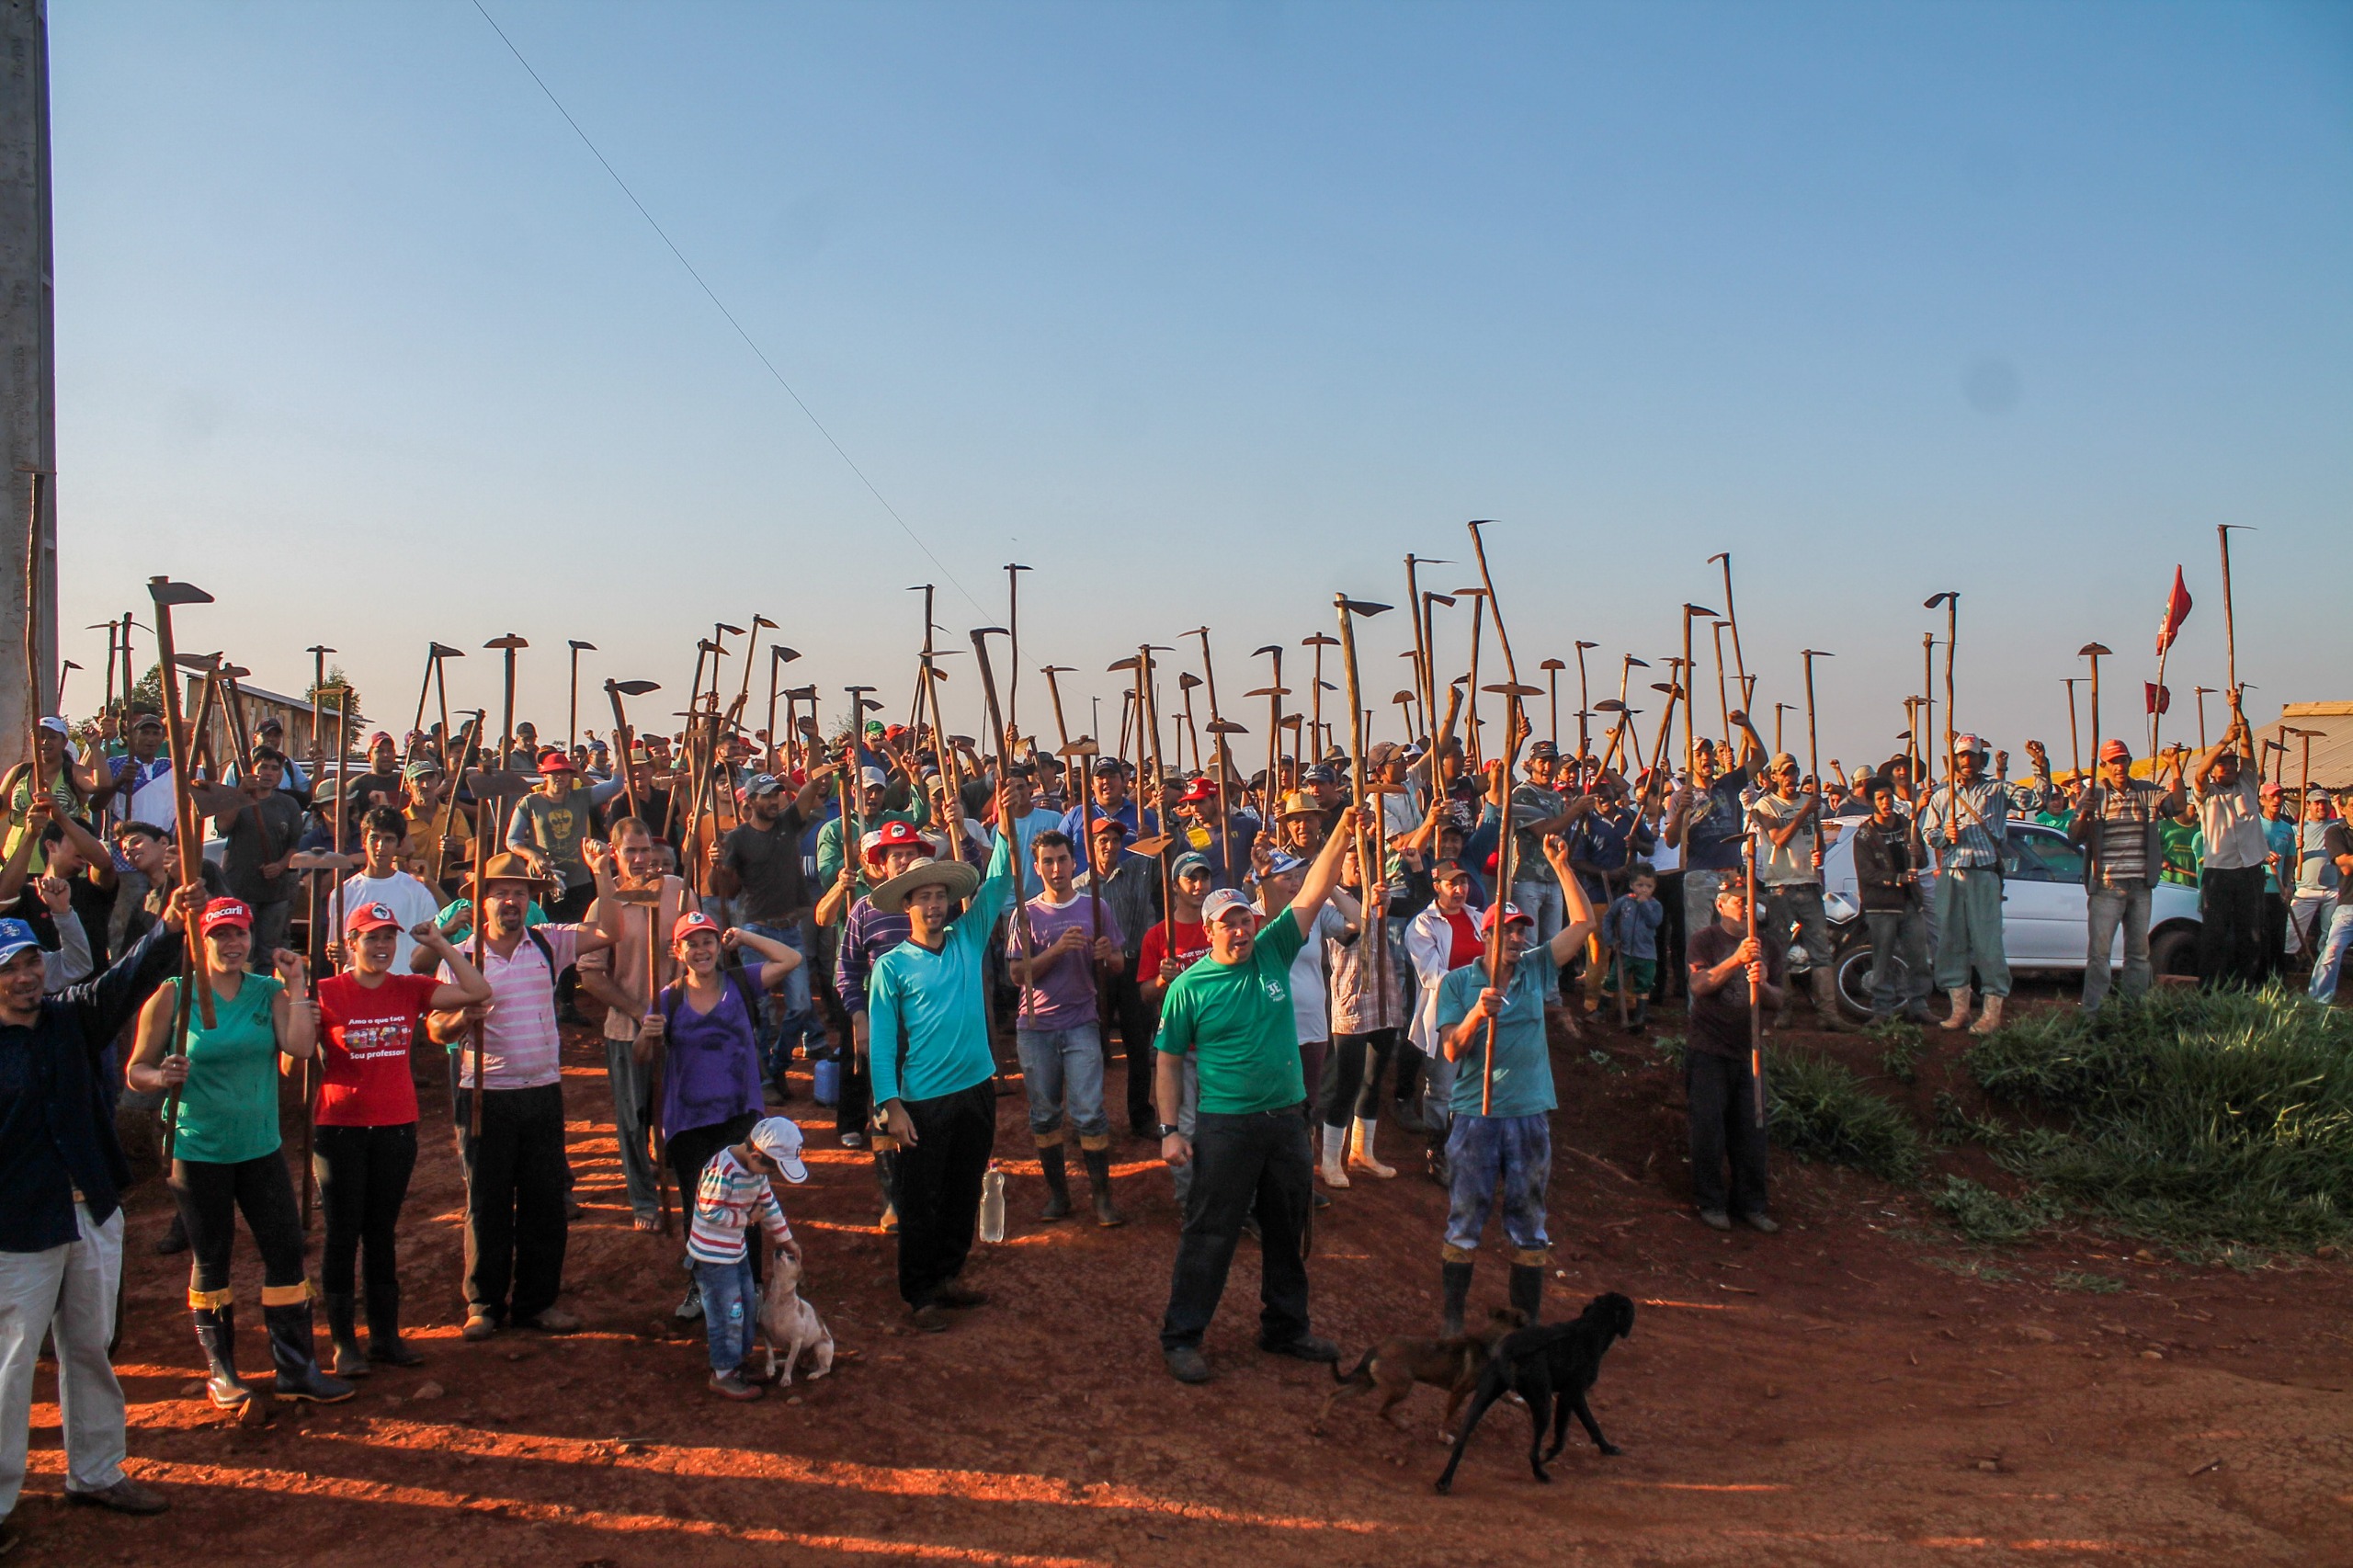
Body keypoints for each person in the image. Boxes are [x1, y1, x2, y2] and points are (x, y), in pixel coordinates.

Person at [0, 887, 192, 1543]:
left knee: (90, 1347)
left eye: (30, 964)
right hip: (17, 1225)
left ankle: (96, 1471)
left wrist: (167, 926)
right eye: (9, 970)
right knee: (12, 1363)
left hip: (90, 1210)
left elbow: (124, 980)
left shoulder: (68, 1018)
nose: (24, 978)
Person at [1153, 810, 1356, 1384]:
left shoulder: (1272, 952)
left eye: (1246, 920)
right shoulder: (1189, 989)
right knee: (1211, 1232)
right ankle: (1183, 1335)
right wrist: (1170, 1131)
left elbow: (1314, 894)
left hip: (1287, 1120)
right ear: (1210, 931)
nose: (1241, 931)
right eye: (1230, 924)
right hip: (1226, 1126)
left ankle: (1285, 1327)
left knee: (1287, 1228)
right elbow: (1167, 1062)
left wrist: (1342, 828)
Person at [126, 898, 350, 1408]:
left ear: (252, 938)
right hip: (198, 1149)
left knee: (286, 1250)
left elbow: (297, 1047)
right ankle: (223, 1372)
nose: (232, 944)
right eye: (220, 935)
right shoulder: (173, 997)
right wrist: (161, 1076)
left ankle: (296, 1368)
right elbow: (136, 1069)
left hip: (260, 1148)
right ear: (199, 941)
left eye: (240, 934)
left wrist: (295, 984)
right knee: (212, 1258)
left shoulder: (267, 992)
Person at [423, 852, 619, 1341]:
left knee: (545, 1201)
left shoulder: (548, 943)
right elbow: (434, 1027)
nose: (511, 900)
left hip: (542, 1091)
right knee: (487, 1201)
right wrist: (462, 1020)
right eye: (500, 892)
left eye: (519, 892)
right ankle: (484, 1304)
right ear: (481, 900)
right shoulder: (463, 957)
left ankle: (536, 1302)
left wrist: (602, 873)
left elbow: (610, 930)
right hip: (485, 1094)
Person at [312, 902, 490, 1371]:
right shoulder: (327, 993)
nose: (382, 946)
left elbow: (478, 990)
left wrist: (438, 943)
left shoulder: (409, 989)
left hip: (395, 1124)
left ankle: (386, 1337)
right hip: (339, 1128)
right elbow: (295, 1052)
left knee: (381, 1233)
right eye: (371, 937)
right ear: (351, 944)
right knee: (342, 1234)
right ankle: (344, 1343)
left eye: (388, 937)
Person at [1432, 831, 1597, 1332]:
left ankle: (1525, 1327)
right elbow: (1450, 1050)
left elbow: (1584, 923)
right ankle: (1453, 1323)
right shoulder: (1459, 983)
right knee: (1464, 1221)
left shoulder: (1536, 968)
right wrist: (1476, 1018)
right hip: (1476, 1115)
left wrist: (1560, 865)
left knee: (1529, 1225)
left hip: (1528, 1114)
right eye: (1510, 931)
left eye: (1523, 931)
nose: (1520, 939)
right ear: (1487, 936)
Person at [868, 806, 1016, 1331]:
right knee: (920, 1197)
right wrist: (891, 1104)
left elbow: (998, 883)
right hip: (924, 1100)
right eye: (923, 897)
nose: (933, 905)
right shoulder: (890, 966)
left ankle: (950, 1274)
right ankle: (922, 1292)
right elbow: (882, 1044)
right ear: (907, 905)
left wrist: (1004, 824)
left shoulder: (968, 939)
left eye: (939, 896)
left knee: (963, 1186)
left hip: (976, 1088)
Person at [641, 911, 802, 1324]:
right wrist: (648, 1034)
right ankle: (703, 1285)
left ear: (719, 945)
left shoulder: (741, 983)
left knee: (747, 1199)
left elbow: (790, 960)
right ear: (677, 952)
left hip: (739, 1115)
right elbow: (642, 1057)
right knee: (701, 1205)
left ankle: (751, 1285)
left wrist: (745, 936)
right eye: (691, 943)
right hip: (688, 1121)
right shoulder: (667, 999)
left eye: (708, 941)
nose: (701, 950)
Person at [576, 818, 692, 1231]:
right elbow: (590, 974)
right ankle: (643, 1199)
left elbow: (699, 948)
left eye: (645, 850)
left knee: (678, 1107)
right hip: (627, 1031)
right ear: (615, 855)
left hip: (679, 1024)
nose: (641, 860)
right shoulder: (604, 905)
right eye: (631, 852)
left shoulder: (679, 893)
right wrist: (639, 1011)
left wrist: (678, 989)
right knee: (633, 1116)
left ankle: (680, 1174)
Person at [826, 820, 941, 1230]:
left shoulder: (939, 905)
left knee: (930, 1107)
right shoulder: (865, 911)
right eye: (897, 855)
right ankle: (893, 1199)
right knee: (884, 1109)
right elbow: (847, 972)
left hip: (933, 1024)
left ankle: (929, 1193)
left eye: (911, 853)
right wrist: (858, 1018)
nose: (905, 860)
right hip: (885, 1025)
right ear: (884, 864)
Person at [1008, 831, 1126, 1225]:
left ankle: (1102, 1199)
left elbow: (1119, 965)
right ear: (1037, 865)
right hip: (1036, 1025)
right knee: (1044, 1114)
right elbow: (1015, 975)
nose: (1056, 869)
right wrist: (1057, 951)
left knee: (1090, 1112)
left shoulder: (1096, 908)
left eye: (1062, 860)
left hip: (1082, 1023)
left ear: (1074, 863)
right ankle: (1059, 1196)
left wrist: (1105, 955)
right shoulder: (1025, 913)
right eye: (1048, 861)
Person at [710, 767, 838, 1101]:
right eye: (766, 795)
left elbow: (809, 791)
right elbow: (720, 887)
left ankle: (777, 1067)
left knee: (798, 1006)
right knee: (762, 1011)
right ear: (750, 802)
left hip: (790, 929)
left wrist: (818, 768)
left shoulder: (787, 823)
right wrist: (718, 862)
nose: (773, 800)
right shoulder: (737, 837)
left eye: (776, 794)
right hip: (755, 931)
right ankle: (765, 1077)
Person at [1684, 877, 1784, 1232]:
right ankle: (1711, 1201)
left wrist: (1763, 983)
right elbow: (1699, 986)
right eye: (1739, 900)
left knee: (1753, 1130)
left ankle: (1753, 1204)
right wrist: (1736, 961)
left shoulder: (1768, 944)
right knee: (1708, 1129)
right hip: (1709, 1048)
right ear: (1721, 904)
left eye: (1751, 901)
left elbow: (1779, 1000)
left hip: (1749, 1052)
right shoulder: (1705, 940)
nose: (1746, 907)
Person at [686, 1116, 808, 1402]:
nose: (771, 1176)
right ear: (756, 1155)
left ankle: (736, 1363)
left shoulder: (757, 1171)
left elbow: (769, 1203)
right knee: (727, 1313)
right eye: (773, 1169)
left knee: (745, 1305)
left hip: (735, 1252)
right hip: (714, 1258)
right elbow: (709, 1212)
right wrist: (747, 1219)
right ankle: (723, 1373)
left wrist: (785, 1239)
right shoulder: (722, 1170)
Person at [2066, 740, 2187, 1014]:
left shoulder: (2145, 792)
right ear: (2103, 766)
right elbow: (2075, 835)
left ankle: (2134, 1011)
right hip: (2107, 885)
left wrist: (2175, 767)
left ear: (2130, 762)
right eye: (2114, 761)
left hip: (2140, 884)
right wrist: (2086, 810)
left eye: (2123, 760)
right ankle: (2093, 1012)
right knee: (2099, 954)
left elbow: (2178, 805)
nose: (2119, 766)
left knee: (2139, 954)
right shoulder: (2093, 794)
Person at [1318, 841, 1407, 1187]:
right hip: (1352, 997)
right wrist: (1369, 907)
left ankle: (1362, 1152)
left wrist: (1384, 902)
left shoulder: (1380, 893)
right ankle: (1329, 1160)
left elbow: (1417, 902)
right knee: (1347, 1083)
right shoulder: (1331, 899)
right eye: (1351, 858)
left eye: (1363, 859)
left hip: (1384, 994)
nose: (1358, 864)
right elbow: (1351, 938)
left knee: (1372, 1081)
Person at [1915, 734, 2015, 1034]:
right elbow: (1928, 834)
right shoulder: (1943, 796)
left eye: (1971, 756)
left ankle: (1991, 1014)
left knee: (1988, 945)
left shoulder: (1997, 789)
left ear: (1981, 759)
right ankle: (1960, 1010)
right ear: (1955, 759)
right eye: (1961, 756)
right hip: (1952, 872)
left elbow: (2036, 799)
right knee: (1950, 942)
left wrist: (2040, 767)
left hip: (1983, 872)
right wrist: (1946, 835)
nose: (1966, 761)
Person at [1746, 751, 1847, 1031]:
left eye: (1794, 771)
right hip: (1781, 885)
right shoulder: (1766, 805)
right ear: (1775, 777)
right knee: (1780, 949)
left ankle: (1829, 1012)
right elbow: (1778, 839)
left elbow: (1818, 840)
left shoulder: (1812, 804)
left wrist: (1820, 854)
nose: (1791, 777)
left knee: (1821, 950)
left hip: (1809, 883)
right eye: (1786, 772)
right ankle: (1784, 1008)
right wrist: (1805, 811)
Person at [1075, 813, 1162, 1139]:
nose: (1110, 846)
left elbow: (1171, 848)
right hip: (1095, 973)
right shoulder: (1079, 887)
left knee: (1138, 1045)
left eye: (1114, 840)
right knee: (1090, 1047)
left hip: (1134, 966)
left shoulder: (1137, 872)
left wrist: (1157, 825)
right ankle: (1091, 1118)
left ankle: (1141, 1117)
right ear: (1091, 846)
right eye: (1103, 840)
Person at [1403, 858, 1487, 1174]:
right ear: (1437, 886)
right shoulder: (1423, 924)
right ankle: (1436, 1151)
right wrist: (1476, 986)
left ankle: (1466, 1146)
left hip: (1481, 1016)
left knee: (1474, 1082)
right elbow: (1433, 975)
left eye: (1464, 882)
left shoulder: (1479, 919)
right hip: (1447, 1016)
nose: (1460, 889)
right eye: (1452, 883)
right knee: (1442, 1087)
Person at [1662, 715, 1766, 970]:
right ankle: (1697, 1000)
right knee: (1699, 940)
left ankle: (1732, 996)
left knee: (1733, 936)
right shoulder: (1680, 796)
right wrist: (1683, 814)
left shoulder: (1727, 784)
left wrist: (1746, 726)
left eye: (1709, 752)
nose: (1706, 757)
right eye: (1699, 754)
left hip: (1730, 873)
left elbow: (1761, 759)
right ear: (1690, 761)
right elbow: (1672, 842)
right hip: (1699, 874)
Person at [2190, 699, 2268, 990]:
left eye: (2232, 764)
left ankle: (2246, 986)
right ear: (2215, 771)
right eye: (2223, 765)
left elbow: (2247, 748)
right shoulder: (2205, 793)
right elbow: (2200, 772)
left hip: (2250, 868)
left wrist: (2238, 710)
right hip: (2219, 872)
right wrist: (2224, 740)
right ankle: (2210, 987)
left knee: (2251, 932)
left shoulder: (2247, 783)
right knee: (2215, 932)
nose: (2230, 769)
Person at [1850, 780, 1935, 1024]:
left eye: (1888, 797)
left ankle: (1918, 1006)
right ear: (1871, 802)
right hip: (1881, 906)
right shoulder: (1864, 835)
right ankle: (1882, 1010)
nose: (1886, 802)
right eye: (1880, 798)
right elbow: (1867, 874)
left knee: (1918, 958)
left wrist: (1917, 854)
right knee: (1883, 960)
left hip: (1910, 903)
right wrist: (1897, 878)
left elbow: (1922, 862)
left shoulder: (1909, 826)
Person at [210, 746, 302, 958]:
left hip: (275, 892)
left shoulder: (288, 805)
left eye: (274, 768)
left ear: (280, 774)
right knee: (242, 950)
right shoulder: (235, 799)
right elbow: (223, 827)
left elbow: (295, 846)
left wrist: (279, 866)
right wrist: (241, 792)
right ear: (252, 771)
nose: (268, 773)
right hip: (240, 890)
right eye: (263, 768)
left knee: (269, 951)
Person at [339, 807, 444, 974]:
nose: (380, 846)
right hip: (357, 989)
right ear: (363, 840)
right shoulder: (342, 893)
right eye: (374, 838)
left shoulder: (417, 891)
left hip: (403, 986)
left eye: (389, 839)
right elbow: (340, 950)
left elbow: (433, 943)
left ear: (399, 844)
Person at [506, 751, 601, 920]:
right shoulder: (530, 802)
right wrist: (532, 855)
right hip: (542, 883)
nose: (560, 777)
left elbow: (616, 784)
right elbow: (512, 840)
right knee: (543, 929)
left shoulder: (582, 796)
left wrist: (618, 746)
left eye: (564, 772)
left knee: (578, 933)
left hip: (579, 882)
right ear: (544, 776)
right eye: (554, 773)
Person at [1600, 864, 1665, 1030]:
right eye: (1640, 885)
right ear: (1632, 885)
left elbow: (1654, 922)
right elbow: (1608, 919)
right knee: (1613, 979)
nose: (1644, 890)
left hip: (1646, 954)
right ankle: (1601, 1011)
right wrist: (1610, 939)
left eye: (1649, 886)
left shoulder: (1655, 905)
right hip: (1624, 951)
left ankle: (1640, 1016)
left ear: (1655, 887)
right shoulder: (1623, 902)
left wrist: (1644, 904)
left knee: (1644, 984)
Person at [2304, 801, 2353, 1006]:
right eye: (2352, 805)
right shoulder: (2336, 832)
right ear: (2342, 808)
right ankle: (2317, 1002)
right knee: (2332, 950)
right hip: (2349, 905)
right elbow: (2345, 865)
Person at [2259, 782, 2296, 983]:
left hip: (2279, 891)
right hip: (2258, 888)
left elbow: (2290, 858)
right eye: (2272, 796)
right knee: (2260, 937)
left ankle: (2278, 982)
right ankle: (2259, 981)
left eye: (2280, 796)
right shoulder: (2253, 824)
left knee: (2277, 938)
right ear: (2262, 800)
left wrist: (2288, 884)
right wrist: (2263, 856)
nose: (2276, 800)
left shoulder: (2287, 828)